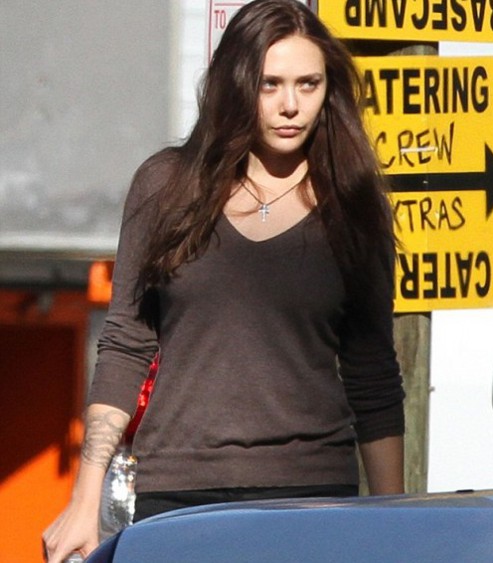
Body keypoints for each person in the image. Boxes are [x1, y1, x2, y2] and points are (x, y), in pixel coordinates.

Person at [43, 0, 405, 560]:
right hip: (177, 495)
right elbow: (125, 345)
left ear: (327, 89)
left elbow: (373, 372)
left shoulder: (352, 203)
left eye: (308, 84)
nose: (290, 105)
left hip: (311, 498)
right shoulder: (165, 186)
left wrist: (394, 524)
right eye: (269, 84)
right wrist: (84, 498)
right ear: (236, 85)